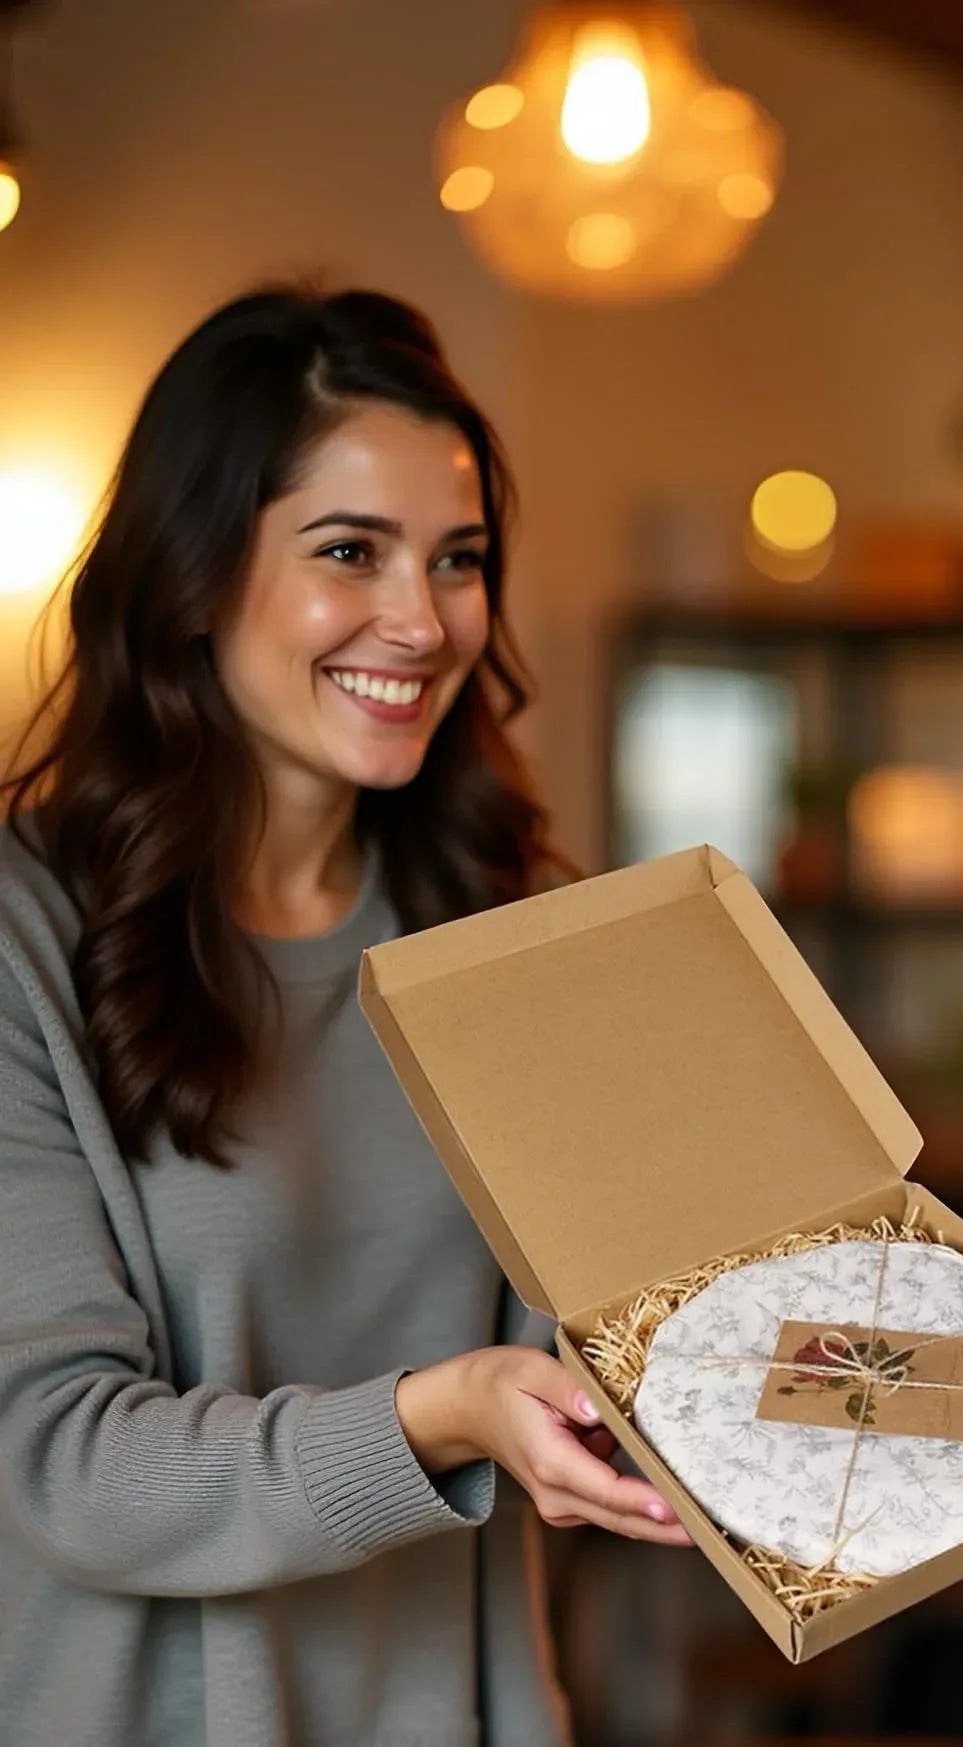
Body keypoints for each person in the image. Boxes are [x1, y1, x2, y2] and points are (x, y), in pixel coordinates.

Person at [0, 286, 690, 1747]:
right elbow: (60, 1461)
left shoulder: (498, 925)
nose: (422, 621)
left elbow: (593, 1356)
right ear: (193, 576)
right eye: (347, 553)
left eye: (458, 561)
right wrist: (438, 1415)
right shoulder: (26, 943)